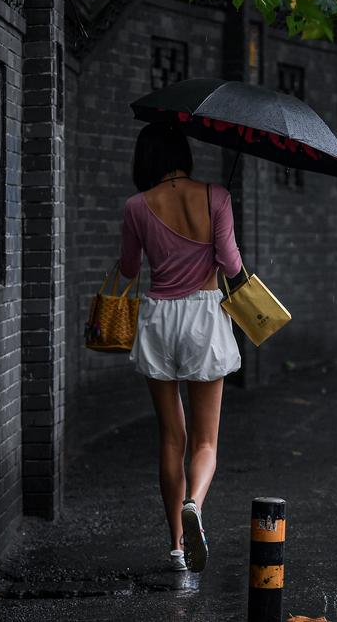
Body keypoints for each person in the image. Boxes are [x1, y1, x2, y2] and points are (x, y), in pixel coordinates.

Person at [119, 123, 243, 573]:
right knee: (206, 441)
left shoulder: (137, 206)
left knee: (172, 436)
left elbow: (129, 268)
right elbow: (231, 264)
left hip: (158, 320)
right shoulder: (216, 196)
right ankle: (195, 504)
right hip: (204, 318)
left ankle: (176, 548)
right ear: (183, 153)